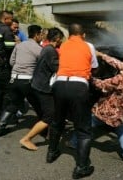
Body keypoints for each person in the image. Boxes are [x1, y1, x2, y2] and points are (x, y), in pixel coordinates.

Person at [69, 49, 123, 165]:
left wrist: (89, 77)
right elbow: (119, 65)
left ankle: (73, 142)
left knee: (87, 123)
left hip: (109, 111)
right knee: (122, 131)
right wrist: (103, 56)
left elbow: (102, 85)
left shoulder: (120, 78)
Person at [47, 23, 98, 179]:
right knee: (83, 129)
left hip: (60, 84)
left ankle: (52, 153)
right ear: (83, 35)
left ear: (69, 35)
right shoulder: (89, 45)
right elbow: (94, 67)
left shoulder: (64, 46)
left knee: (58, 121)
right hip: (78, 86)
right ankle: (82, 167)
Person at [0, 25, 43, 138]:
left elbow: (12, 62)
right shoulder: (38, 49)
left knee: (13, 104)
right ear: (36, 35)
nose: (42, 37)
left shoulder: (19, 45)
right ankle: (43, 129)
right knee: (39, 105)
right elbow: (42, 66)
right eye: (41, 34)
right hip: (27, 81)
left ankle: (0, 127)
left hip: (14, 79)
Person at [19, 27, 64, 151]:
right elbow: (57, 68)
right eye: (61, 39)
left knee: (49, 113)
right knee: (49, 116)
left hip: (37, 85)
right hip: (43, 87)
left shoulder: (46, 48)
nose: (62, 42)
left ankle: (49, 134)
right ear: (58, 38)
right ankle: (27, 139)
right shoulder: (51, 51)